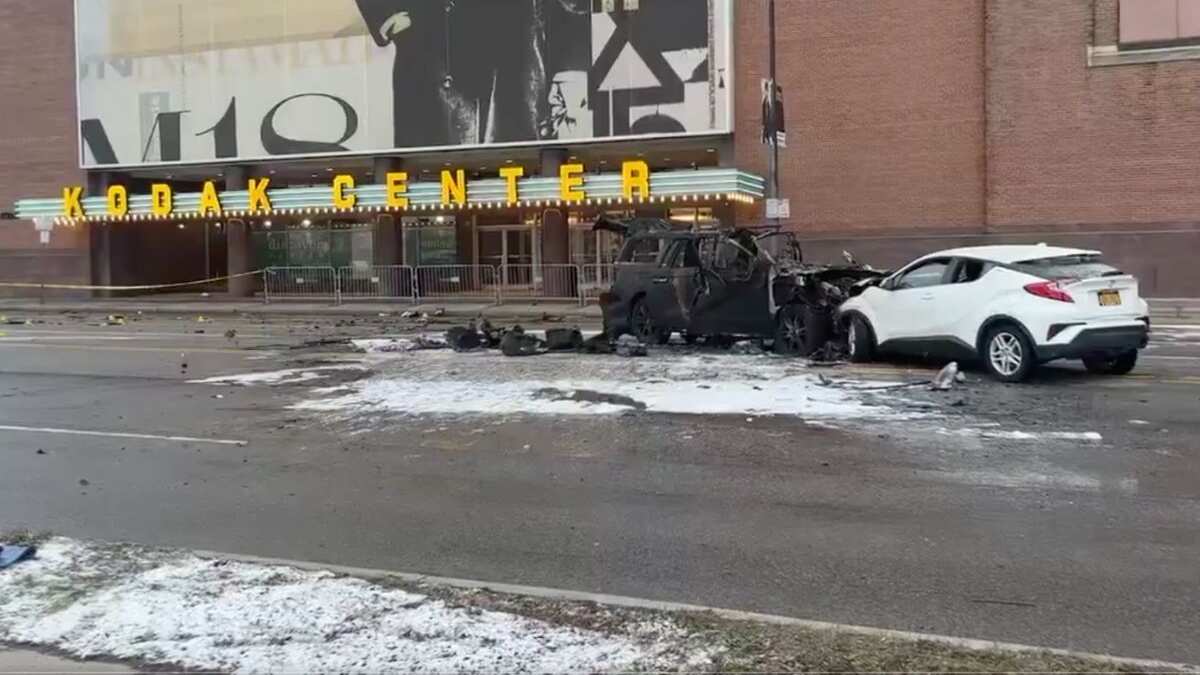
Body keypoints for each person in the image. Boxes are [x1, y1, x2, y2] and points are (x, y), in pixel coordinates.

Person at [356, 0, 590, 149]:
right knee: (428, 179)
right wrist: (388, 17)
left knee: (516, 171)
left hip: (512, 50)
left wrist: (570, 64)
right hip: (430, 50)